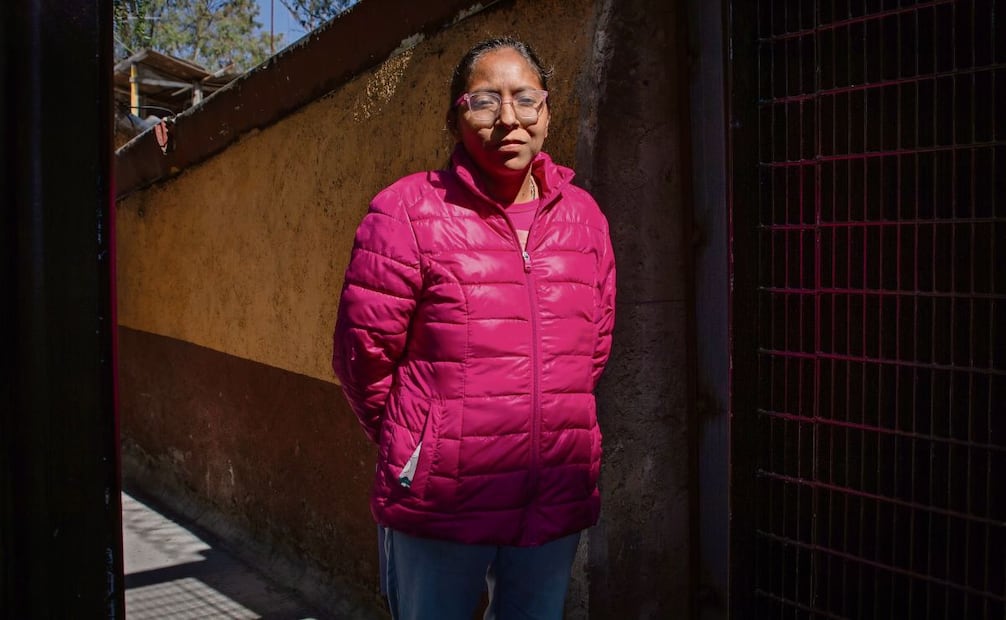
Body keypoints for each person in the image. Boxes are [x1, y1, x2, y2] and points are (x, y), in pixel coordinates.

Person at [332, 36, 616, 620]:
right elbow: (363, 355)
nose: (507, 117)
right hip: (442, 500)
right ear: (456, 116)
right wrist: (419, 444)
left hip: (552, 490)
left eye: (524, 98)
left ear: (547, 110)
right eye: (485, 100)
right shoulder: (407, 212)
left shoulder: (584, 218)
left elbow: (595, 344)